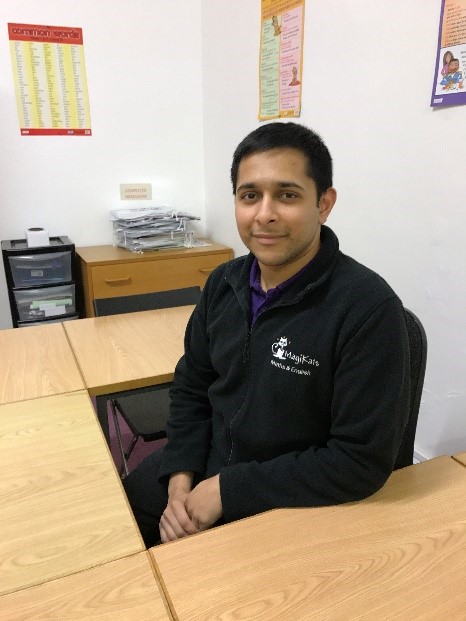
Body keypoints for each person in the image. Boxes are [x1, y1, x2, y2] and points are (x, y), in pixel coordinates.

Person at [123, 122, 411, 547]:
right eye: (250, 196)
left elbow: (359, 461)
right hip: (207, 464)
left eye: (287, 195)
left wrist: (226, 491)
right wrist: (180, 480)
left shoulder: (367, 308)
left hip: (290, 494)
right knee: (112, 526)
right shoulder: (223, 283)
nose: (264, 214)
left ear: (324, 204)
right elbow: (192, 386)